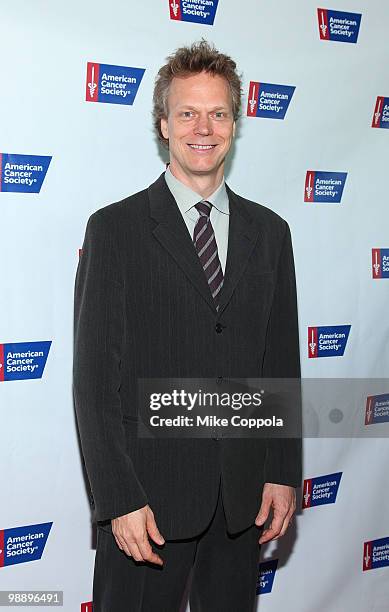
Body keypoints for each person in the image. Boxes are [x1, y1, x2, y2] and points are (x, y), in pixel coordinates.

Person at [73, 39, 301, 612]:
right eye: (188, 113)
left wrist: (282, 471)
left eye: (218, 112)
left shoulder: (270, 234)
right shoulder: (115, 230)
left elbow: (280, 366)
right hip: (146, 503)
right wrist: (118, 497)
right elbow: (95, 382)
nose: (205, 127)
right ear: (164, 124)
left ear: (235, 123)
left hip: (240, 499)